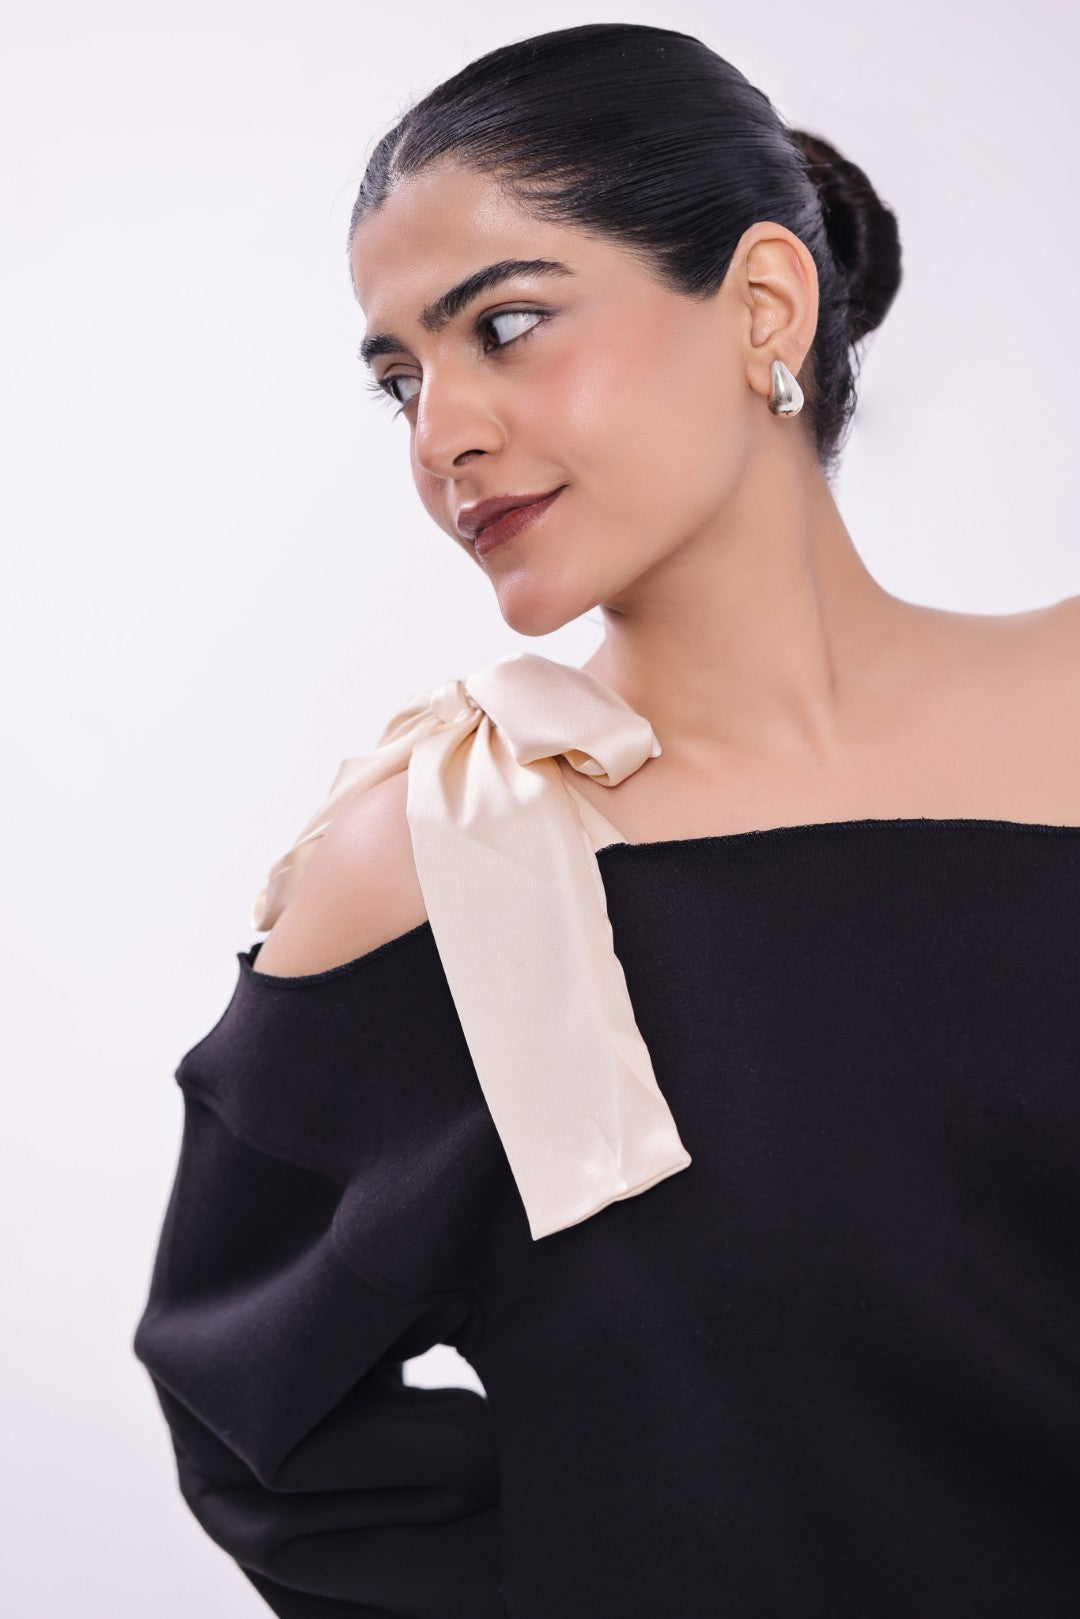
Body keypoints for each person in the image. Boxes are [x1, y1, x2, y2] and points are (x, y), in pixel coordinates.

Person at [132, 21, 1080, 1619]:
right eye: (400, 383)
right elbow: (258, 1428)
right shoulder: (441, 851)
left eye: (504, 327)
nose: (440, 435)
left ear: (764, 303)